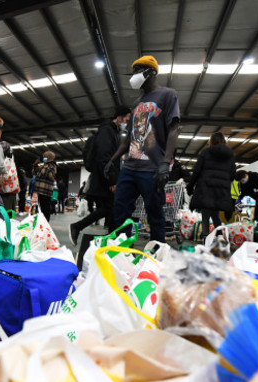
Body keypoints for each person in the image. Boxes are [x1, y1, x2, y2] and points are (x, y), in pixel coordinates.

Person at [106, 56, 180, 242]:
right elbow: (128, 139)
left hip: (152, 168)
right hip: (130, 167)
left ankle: (156, 254)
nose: (135, 75)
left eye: (139, 70)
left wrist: (165, 162)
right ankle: (123, 251)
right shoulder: (137, 104)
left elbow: (174, 130)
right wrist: (112, 160)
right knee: (120, 210)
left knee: (154, 213)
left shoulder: (167, 95)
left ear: (151, 73)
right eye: (134, 71)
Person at [70, 105, 131, 245]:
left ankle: (111, 242)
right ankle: (77, 227)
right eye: (127, 119)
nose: (127, 123)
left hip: (104, 177)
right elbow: (104, 157)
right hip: (104, 178)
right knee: (110, 208)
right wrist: (111, 180)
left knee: (112, 211)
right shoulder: (107, 131)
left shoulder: (112, 132)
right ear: (120, 117)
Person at [187, 132, 236, 241]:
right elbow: (233, 175)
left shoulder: (205, 153)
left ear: (211, 141)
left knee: (206, 214)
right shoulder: (230, 155)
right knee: (215, 213)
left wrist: (190, 187)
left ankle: (205, 237)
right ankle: (219, 237)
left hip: (206, 188)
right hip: (221, 191)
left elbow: (196, 171)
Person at [33, 151, 57, 221]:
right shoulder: (43, 165)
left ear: (49, 157)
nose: (44, 158)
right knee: (41, 206)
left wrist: (43, 169)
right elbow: (35, 172)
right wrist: (35, 164)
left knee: (46, 207)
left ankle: (46, 222)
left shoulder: (52, 166)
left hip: (46, 190)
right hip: (40, 190)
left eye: (45, 157)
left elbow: (50, 176)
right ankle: (42, 222)